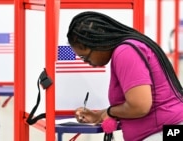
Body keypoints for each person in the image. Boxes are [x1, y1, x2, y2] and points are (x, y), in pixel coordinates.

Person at [66, 11, 183, 141]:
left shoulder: (125, 52)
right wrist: (99, 115)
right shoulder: (129, 47)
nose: (85, 62)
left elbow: (140, 106)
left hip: (164, 132)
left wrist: (110, 112)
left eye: (84, 56)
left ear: (98, 42)